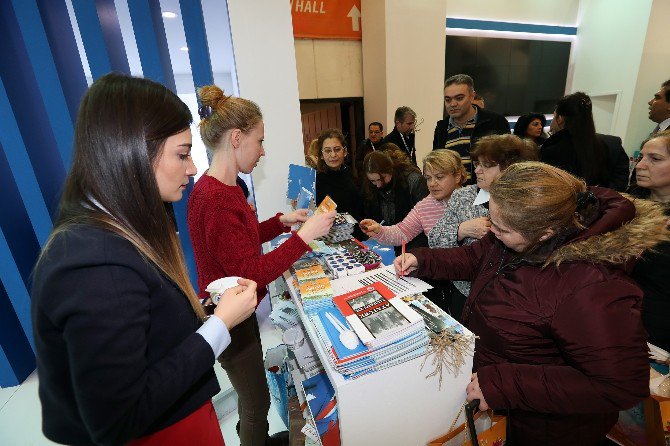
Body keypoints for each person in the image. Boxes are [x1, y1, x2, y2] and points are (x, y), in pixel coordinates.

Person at [31, 73, 258, 446]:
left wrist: (201, 310)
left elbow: (141, 319)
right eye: (182, 154)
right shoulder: (94, 263)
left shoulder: (122, 228)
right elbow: (118, 417)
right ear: (133, 153)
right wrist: (219, 325)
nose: (192, 169)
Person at [396, 161, 668, 445]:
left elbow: (620, 384)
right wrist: (424, 259)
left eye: (501, 229)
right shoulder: (517, 234)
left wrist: (506, 384)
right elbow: (476, 258)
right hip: (507, 405)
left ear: (545, 233)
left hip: (549, 428)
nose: (492, 231)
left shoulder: (591, 286)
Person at [187, 85, 336, 446]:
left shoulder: (223, 188)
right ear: (237, 138)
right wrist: (305, 237)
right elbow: (252, 272)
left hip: (236, 310)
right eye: (260, 140)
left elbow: (239, 240)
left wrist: (280, 222)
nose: (263, 150)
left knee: (252, 399)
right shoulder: (216, 199)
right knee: (256, 404)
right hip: (229, 316)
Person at [429, 134, 538, 320]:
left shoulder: (530, 203)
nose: (477, 170)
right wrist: (461, 230)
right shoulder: (463, 196)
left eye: (486, 165)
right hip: (464, 294)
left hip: (508, 301)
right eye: (477, 163)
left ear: (510, 168)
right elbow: (434, 240)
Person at [360, 149, 466, 247]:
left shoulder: (474, 201)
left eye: (439, 177)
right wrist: (380, 230)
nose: (432, 184)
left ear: (457, 176)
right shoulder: (424, 206)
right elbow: (402, 232)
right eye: (428, 178)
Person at [628, 130, 670, 352]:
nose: (641, 165)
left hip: (657, 333)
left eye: (655, 159)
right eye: (641, 157)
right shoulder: (625, 204)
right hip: (618, 317)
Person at [541, 92, 630, 190]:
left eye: (554, 116)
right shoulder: (613, 144)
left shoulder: (552, 148)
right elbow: (620, 185)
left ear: (560, 119)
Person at [433, 74, 510, 181]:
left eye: (459, 98)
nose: (453, 104)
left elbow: (507, 163)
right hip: (452, 195)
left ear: (472, 96)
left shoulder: (495, 122)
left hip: (487, 193)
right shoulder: (442, 127)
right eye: (448, 100)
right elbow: (438, 165)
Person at [361, 146, 428, 251]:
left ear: (391, 170)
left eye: (381, 179)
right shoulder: (370, 187)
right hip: (387, 241)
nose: (378, 185)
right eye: (373, 181)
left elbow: (423, 223)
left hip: (414, 242)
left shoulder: (413, 181)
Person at [314, 128, 364, 223]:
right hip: (329, 234)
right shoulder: (315, 179)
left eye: (337, 149)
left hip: (355, 231)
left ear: (344, 151)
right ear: (321, 154)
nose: (333, 155)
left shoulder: (348, 171)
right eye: (328, 151)